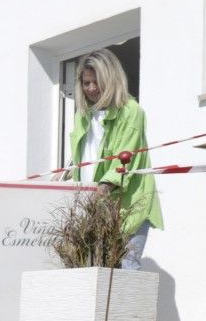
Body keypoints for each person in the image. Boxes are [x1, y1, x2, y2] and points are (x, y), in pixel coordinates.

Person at [65, 48, 162, 268]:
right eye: (86, 83)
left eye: (97, 82)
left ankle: (132, 304)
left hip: (128, 205)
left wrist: (101, 190)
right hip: (92, 205)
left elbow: (124, 159)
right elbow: (86, 156)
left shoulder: (131, 111)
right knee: (93, 269)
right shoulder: (83, 116)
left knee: (125, 268)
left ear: (111, 79)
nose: (91, 88)